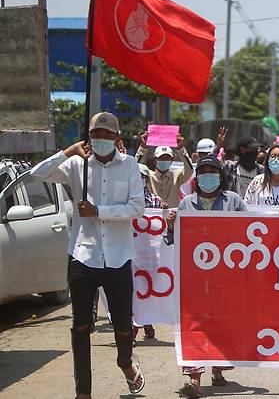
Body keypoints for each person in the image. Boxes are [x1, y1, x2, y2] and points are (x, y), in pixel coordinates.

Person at [31, 112, 146, 398]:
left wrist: (99, 212)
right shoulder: (76, 164)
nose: (102, 140)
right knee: (81, 327)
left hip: (118, 257)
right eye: (97, 134)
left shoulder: (129, 165)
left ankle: (125, 363)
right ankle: (83, 391)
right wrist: (68, 151)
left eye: (108, 135)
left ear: (117, 138)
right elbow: (38, 174)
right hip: (83, 254)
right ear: (89, 137)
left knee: (122, 323)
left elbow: (137, 208)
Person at [165, 156, 247, 398]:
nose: (208, 175)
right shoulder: (186, 204)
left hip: (226, 278)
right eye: (203, 171)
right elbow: (173, 240)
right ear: (197, 176)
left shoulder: (234, 201)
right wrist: (172, 227)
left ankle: (218, 369)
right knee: (195, 326)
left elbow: (251, 231)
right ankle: (194, 378)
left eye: (213, 171)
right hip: (195, 279)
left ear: (220, 175)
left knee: (221, 324)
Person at [132, 163, 168, 345]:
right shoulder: (124, 202)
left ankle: (146, 323)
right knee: (132, 291)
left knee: (145, 290)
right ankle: (133, 328)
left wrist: (166, 213)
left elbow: (163, 223)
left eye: (142, 177)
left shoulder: (156, 201)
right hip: (130, 254)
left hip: (150, 256)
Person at [136, 131, 193, 208]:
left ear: (172, 160)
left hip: (173, 216)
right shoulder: (148, 176)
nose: (164, 160)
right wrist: (142, 148)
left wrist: (181, 149)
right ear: (154, 160)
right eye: (161, 158)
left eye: (167, 158)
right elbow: (135, 168)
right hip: (152, 216)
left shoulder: (177, 176)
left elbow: (190, 169)